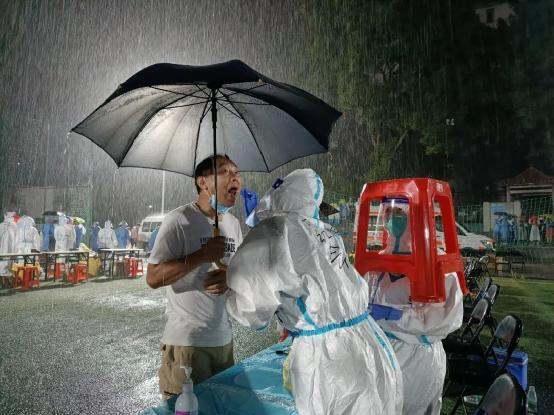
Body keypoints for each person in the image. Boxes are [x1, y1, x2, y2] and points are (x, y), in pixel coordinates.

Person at [226, 169, 403, 415]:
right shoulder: (325, 231)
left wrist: (230, 284)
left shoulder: (275, 230)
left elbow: (251, 311)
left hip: (329, 360)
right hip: (368, 342)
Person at [146, 155, 243, 400]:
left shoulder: (233, 224)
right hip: (187, 343)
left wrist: (229, 277)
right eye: (224, 172)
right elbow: (153, 277)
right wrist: (201, 255)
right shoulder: (179, 220)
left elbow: (237, 270)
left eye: (236, 172)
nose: (235, 178)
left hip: (224, 341)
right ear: (203, 182)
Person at [367, 201, 463, 415]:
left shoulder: (437, 264)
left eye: (399, 212)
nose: (392, 218)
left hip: (418, 359)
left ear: (416, 216)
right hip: (382, 353)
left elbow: (443, 319)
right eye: (388, 211)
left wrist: (394, 315)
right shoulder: (378, 263)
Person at [0, 212, 19, 287]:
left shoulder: (14, 225)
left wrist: (16, 248)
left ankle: (7, 282)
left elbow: (16, 237)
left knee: (8, 264)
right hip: (4, 248)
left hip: (10, 248)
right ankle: (5, 282)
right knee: (4, 264)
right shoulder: (2, 225)